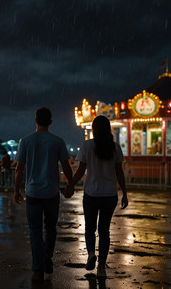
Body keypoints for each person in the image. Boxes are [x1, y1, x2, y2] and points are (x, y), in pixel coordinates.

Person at [64, 115, 128, 278]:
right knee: (104, 230)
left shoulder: (87, 145)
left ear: (94, 129)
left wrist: (70, 184)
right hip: (110, 194)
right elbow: (119, 173)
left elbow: (80, 170)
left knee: (90, 229)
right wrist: (125, 193)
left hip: (91, 193)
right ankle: (101, 267)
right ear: (108, 129)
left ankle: (91, 253)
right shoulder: (115, 147)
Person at [14, 107, 73, 282]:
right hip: (51, 192)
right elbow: (66, 166)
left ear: (36, 120)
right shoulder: (58, 141)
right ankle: (47, 259)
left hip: (33, 193)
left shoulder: (25, 141)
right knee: (51, 228)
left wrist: (16, 189)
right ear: (50, 122)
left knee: (35, 231)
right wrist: (70, 184)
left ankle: (37, 269)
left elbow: (19, 169)